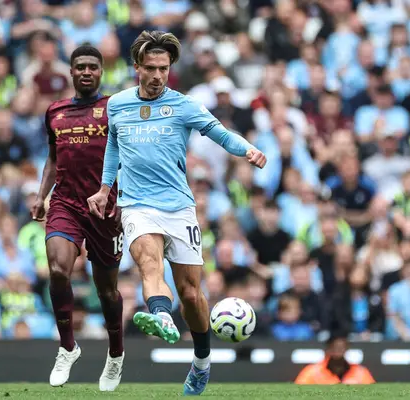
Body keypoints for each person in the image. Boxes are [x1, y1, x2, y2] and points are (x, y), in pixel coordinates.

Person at [87, 30, 266, 396]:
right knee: (148, 263)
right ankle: (161, 316)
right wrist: (106, 188)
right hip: (136, 205)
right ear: (137, 67)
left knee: (191, 294)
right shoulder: (118, 104)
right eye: (150, 68)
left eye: (163, 68)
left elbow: (219, 132)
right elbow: (113, 148)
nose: (157, 75)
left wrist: (248, 150)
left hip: (179, 208)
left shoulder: (184, 105)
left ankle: (201, 362)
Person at [31, 45, 124, 391]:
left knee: (107, 291)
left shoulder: (115, 108)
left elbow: (128, 158)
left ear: (101, 72)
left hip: (106, 208)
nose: (86, 72)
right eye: (80, 67)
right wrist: (41, 196)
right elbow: (53, 159)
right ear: (70, 72)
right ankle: (68, 346)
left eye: (92, 67)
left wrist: (124, 203)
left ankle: (115, 353)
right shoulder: (54, 111)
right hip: (66, 203)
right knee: (57, 269)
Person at [294, 334, 376, 384]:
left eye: (341, 347)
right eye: (334, 347)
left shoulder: (360, 373)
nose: (337, 351)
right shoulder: (312, 372)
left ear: (347, 348)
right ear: (328, 348)